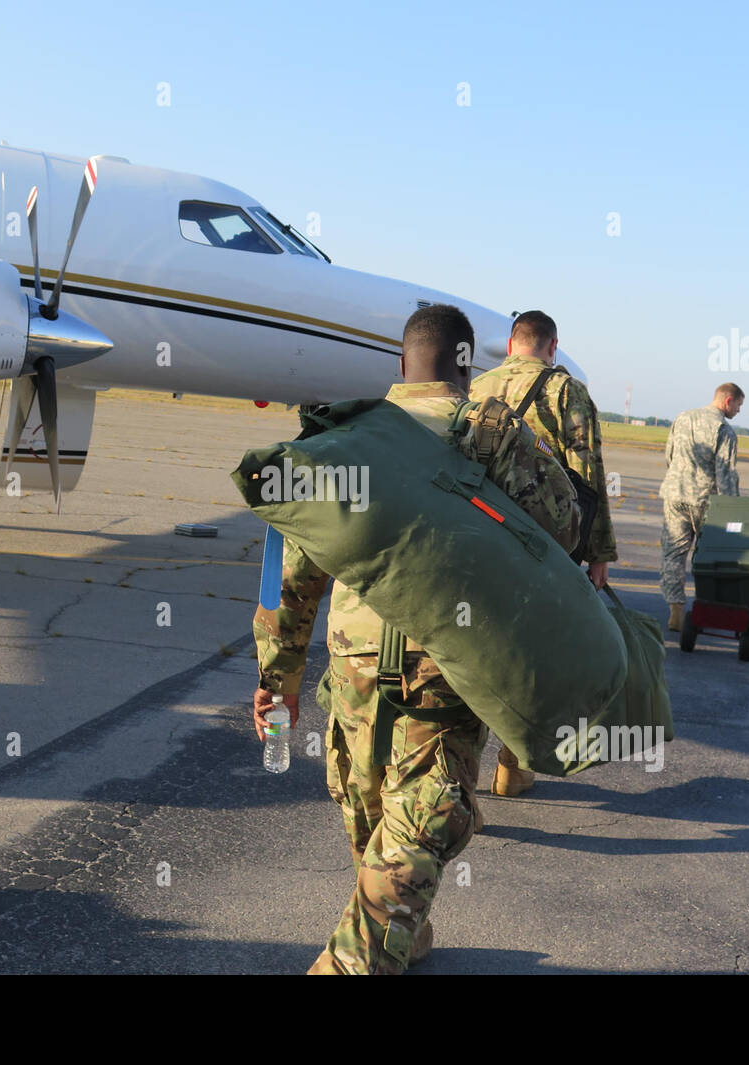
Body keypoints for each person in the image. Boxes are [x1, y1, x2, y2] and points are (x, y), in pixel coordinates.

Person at [250, 304, 578, 974]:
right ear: (467, 365)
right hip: (445, 664)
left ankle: (401, 935)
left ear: (402, 365)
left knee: (375, 815)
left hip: (354, 666)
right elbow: (566, 525)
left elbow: (293, 577)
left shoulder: (347, 435)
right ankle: (354, 962)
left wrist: (276, 684)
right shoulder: (494, 432)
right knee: (417, 822)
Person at [469, 310, 617, 798]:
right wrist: (598, 553)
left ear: (512, 344)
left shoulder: (478, 385)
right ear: (552, 347)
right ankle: (513, 767)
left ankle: (459, 771)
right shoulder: (566, 390)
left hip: (480, 533)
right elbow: (587, 472)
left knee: (473, 649)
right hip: (543, 545)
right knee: (531, 657)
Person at [659, 382, 744, 631]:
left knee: (673, 554)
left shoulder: (683, 418)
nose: (739, 411)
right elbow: (725, 475)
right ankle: (707, 609)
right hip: (705, 502)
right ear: (728, 401)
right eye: (739, 405)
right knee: (709, 558)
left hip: (675, 495)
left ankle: (675, 611)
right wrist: (733, 512)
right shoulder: (724, 431)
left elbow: (669, 455)